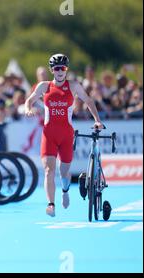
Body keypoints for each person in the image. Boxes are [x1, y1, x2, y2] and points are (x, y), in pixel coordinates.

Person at [24, 54, 104, 217]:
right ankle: (51, 204)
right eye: (57, 68)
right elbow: (29, 100)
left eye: (63, 68)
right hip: (49, 134)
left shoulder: (73, 85)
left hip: (66, 134)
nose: (60, 71)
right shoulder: (44, 86)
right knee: (48, 170)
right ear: (52, 70)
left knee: (64, 172)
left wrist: (97, 120)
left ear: (67, 69)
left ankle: (65, 190)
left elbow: (88, 101)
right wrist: (28, 109)